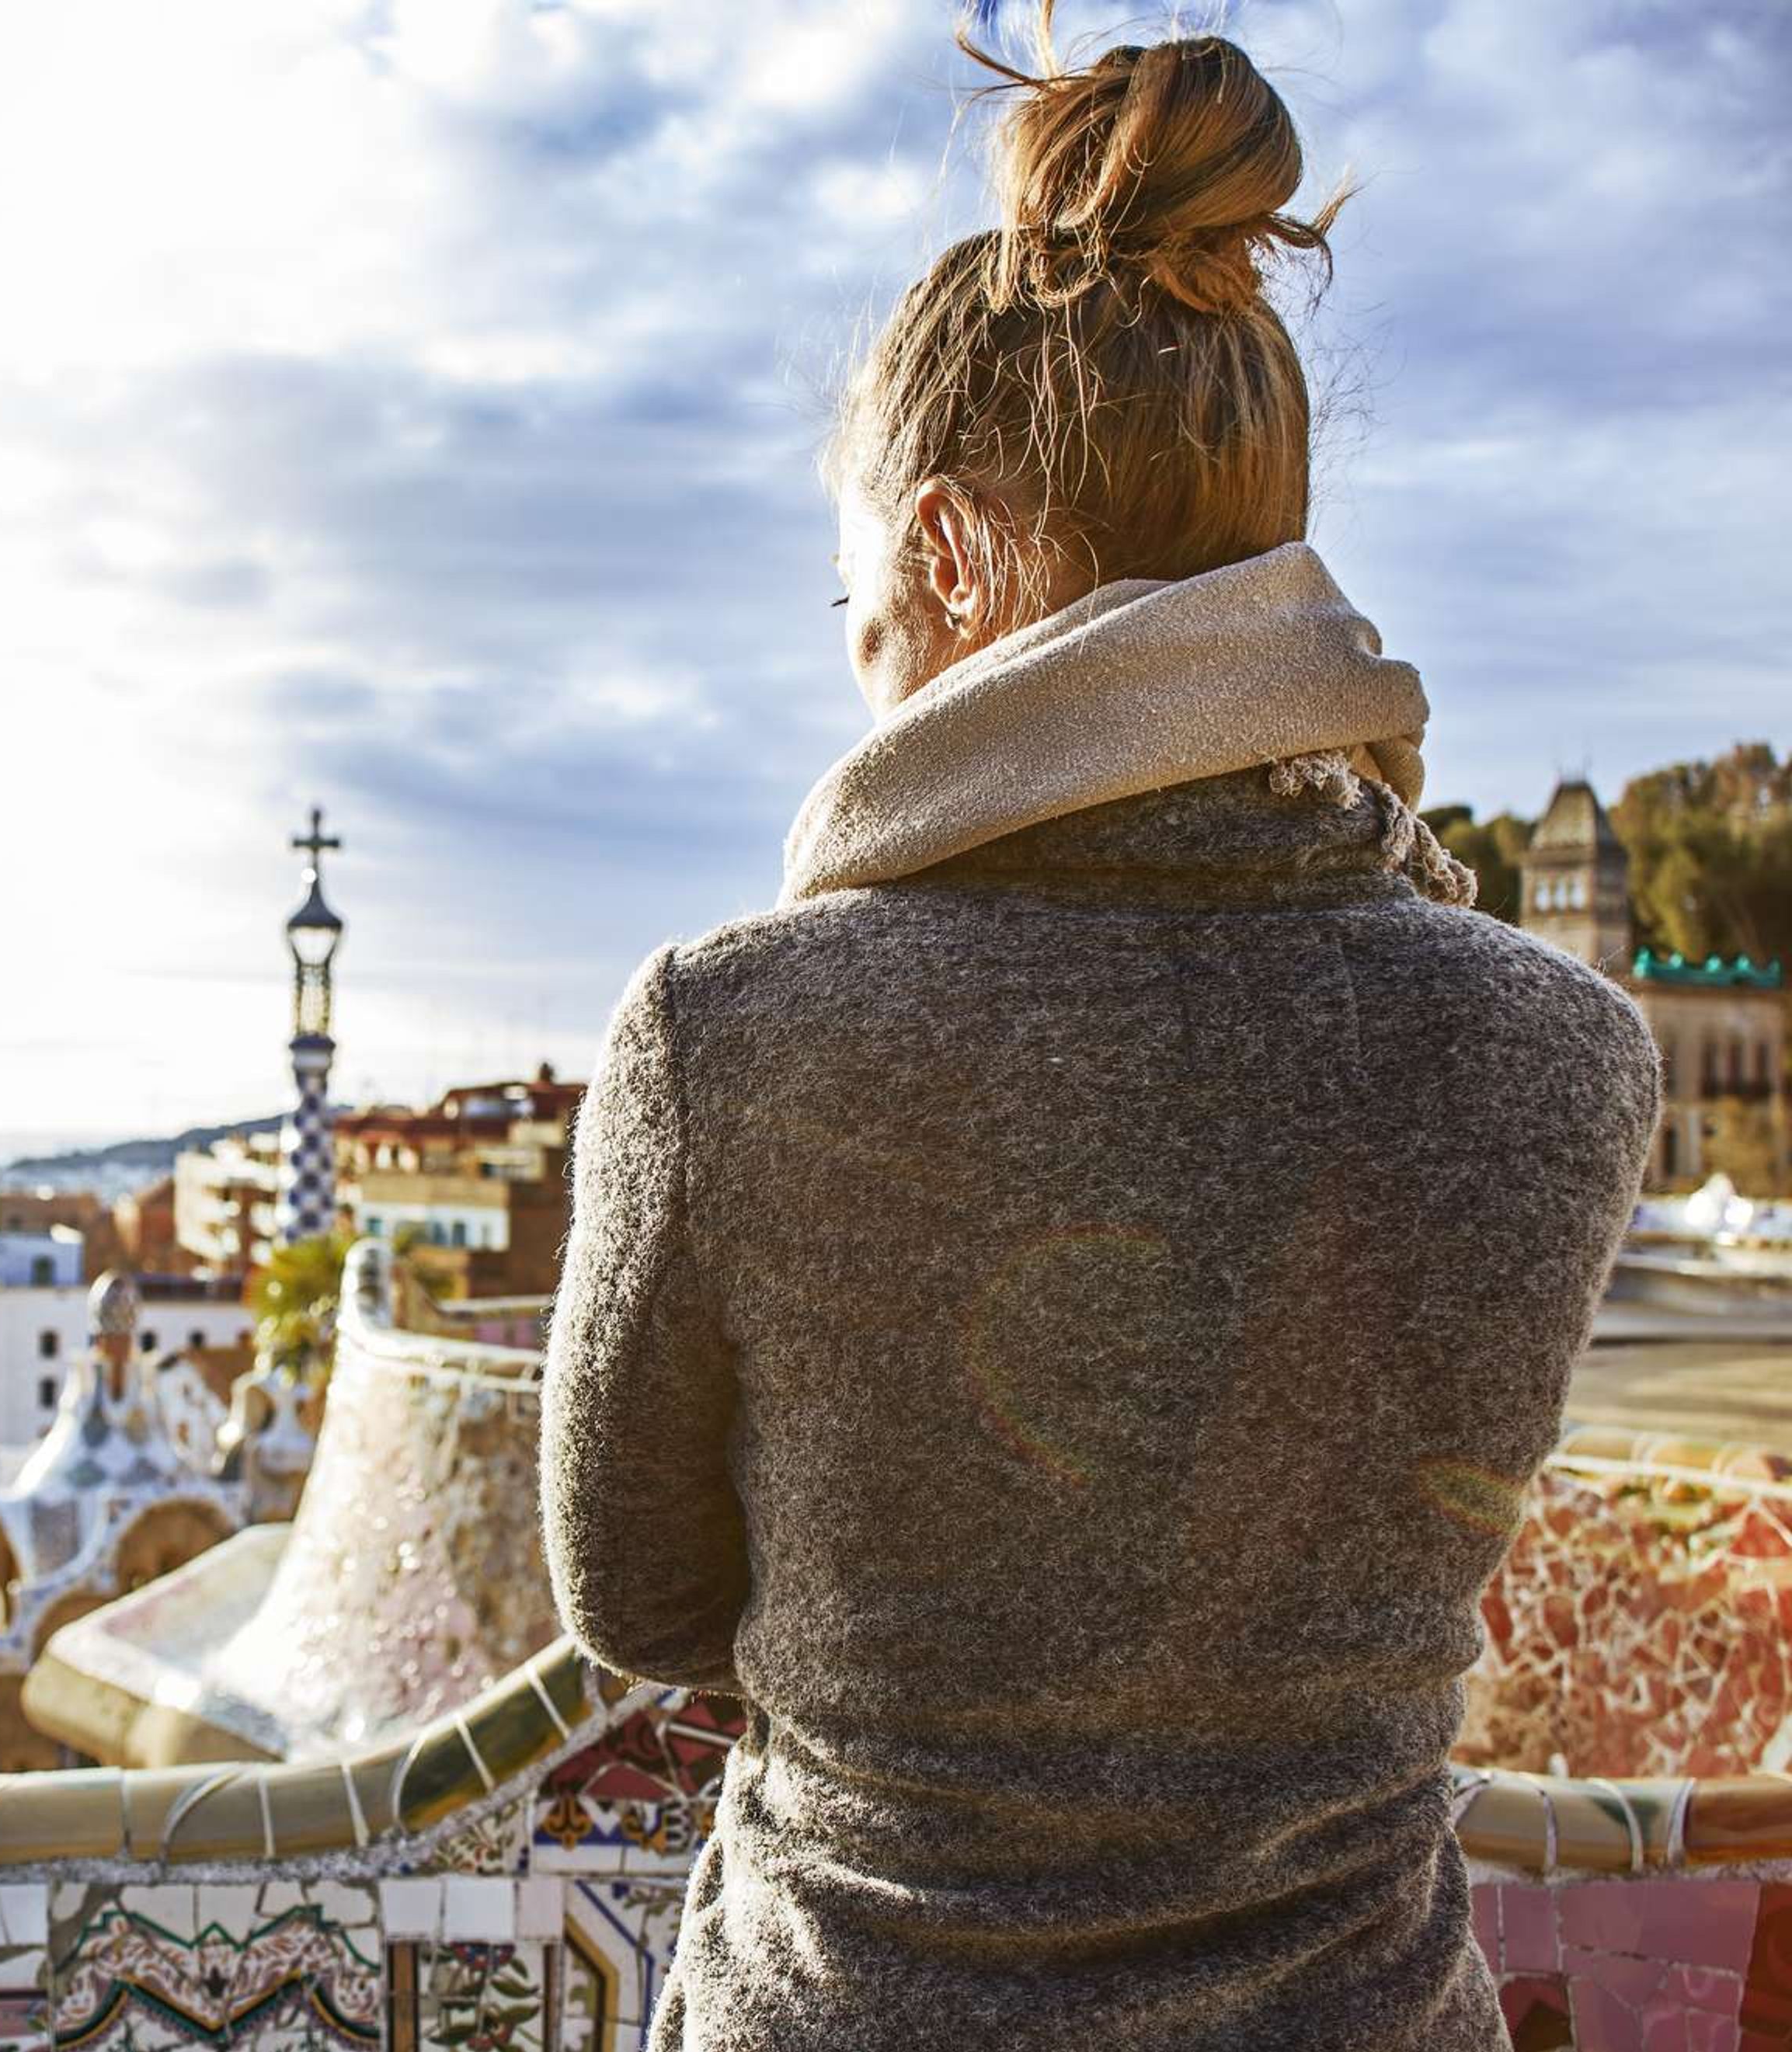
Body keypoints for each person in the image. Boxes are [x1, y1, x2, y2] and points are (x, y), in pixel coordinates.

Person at [535, 9, 1662, 2049]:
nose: (861, 670)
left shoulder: (732, 1036)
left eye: (858, 609)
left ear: (951, 554)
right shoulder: (1561, 1057)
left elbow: (639, 1598)